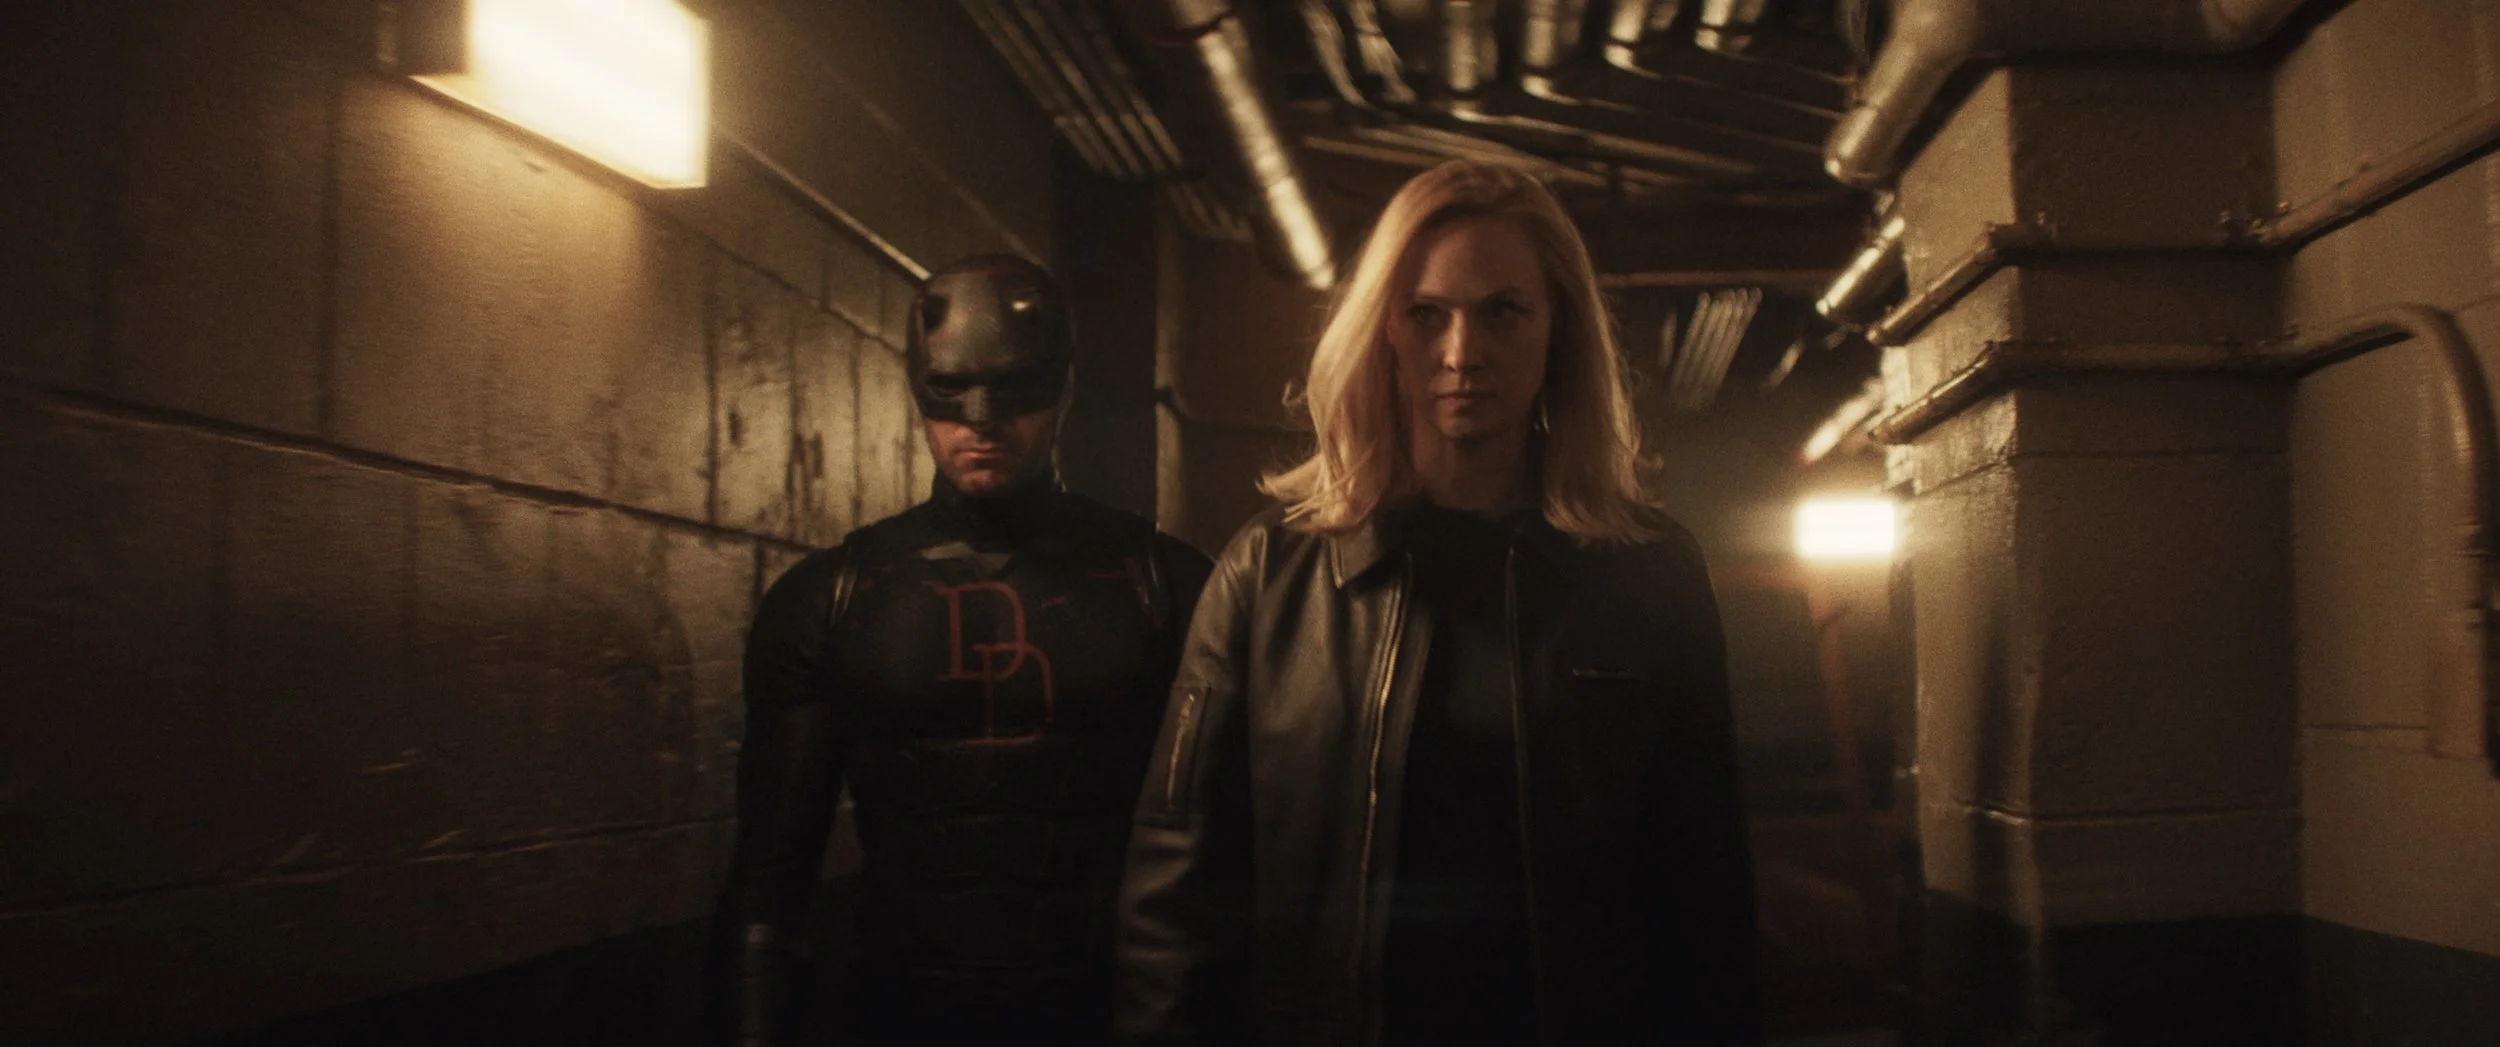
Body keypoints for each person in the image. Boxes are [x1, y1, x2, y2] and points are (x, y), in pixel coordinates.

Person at [1113, 161, 1760, 1045]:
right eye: (1427, 313)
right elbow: (1178, 888)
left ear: (1558, 328)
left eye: (1503, 311)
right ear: (1384, 328)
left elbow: (1706, 887)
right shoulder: (1270, 572)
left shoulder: (1648, 574)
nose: (1462, 352)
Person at [725, 255, 1213, 1046]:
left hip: (1103, 1015)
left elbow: (1227, 853)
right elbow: (771, 883)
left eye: (1013, 386)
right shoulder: (827, 599)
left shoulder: (1169, 587)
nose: (981, 418)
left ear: (1062, 388)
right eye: (951, 389)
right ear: (918, 388)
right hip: (900, 1012)